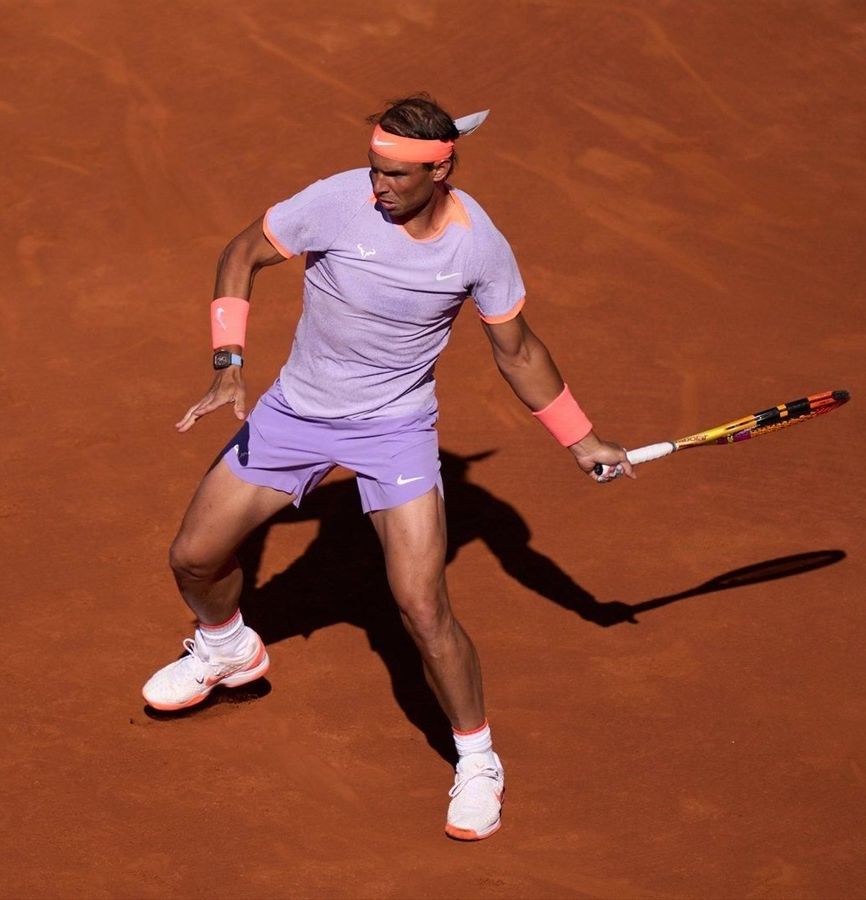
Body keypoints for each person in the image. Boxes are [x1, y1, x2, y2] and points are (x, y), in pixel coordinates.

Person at [139, 95, 635, 842]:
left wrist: (580, 437)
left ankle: (477, 762)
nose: (381, 188)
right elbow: (241, 253)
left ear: (443, 171)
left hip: (396, 430)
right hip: (295, 412)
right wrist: (229, 362)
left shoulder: (477, 245)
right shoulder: (337, 202)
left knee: (422, 604)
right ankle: (226, 646)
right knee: (194, 558)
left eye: (399, 176)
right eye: (376, 170)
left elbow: (520, 351)